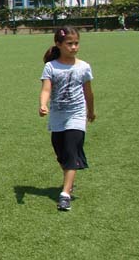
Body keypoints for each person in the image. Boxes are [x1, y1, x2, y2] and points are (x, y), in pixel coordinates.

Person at [39, 26, 96, 211]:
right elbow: (46, 89)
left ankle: (65, 195)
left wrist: (90, 111)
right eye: (69, 44)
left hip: (77, 115)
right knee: (61, 153)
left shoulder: (83, 67)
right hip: (57, 116)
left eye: (76, 43)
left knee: (71, 152)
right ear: (59, 44)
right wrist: (43, 104)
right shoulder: (51, 67)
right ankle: (68, 181)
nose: (74, 47)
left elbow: (88, 93)